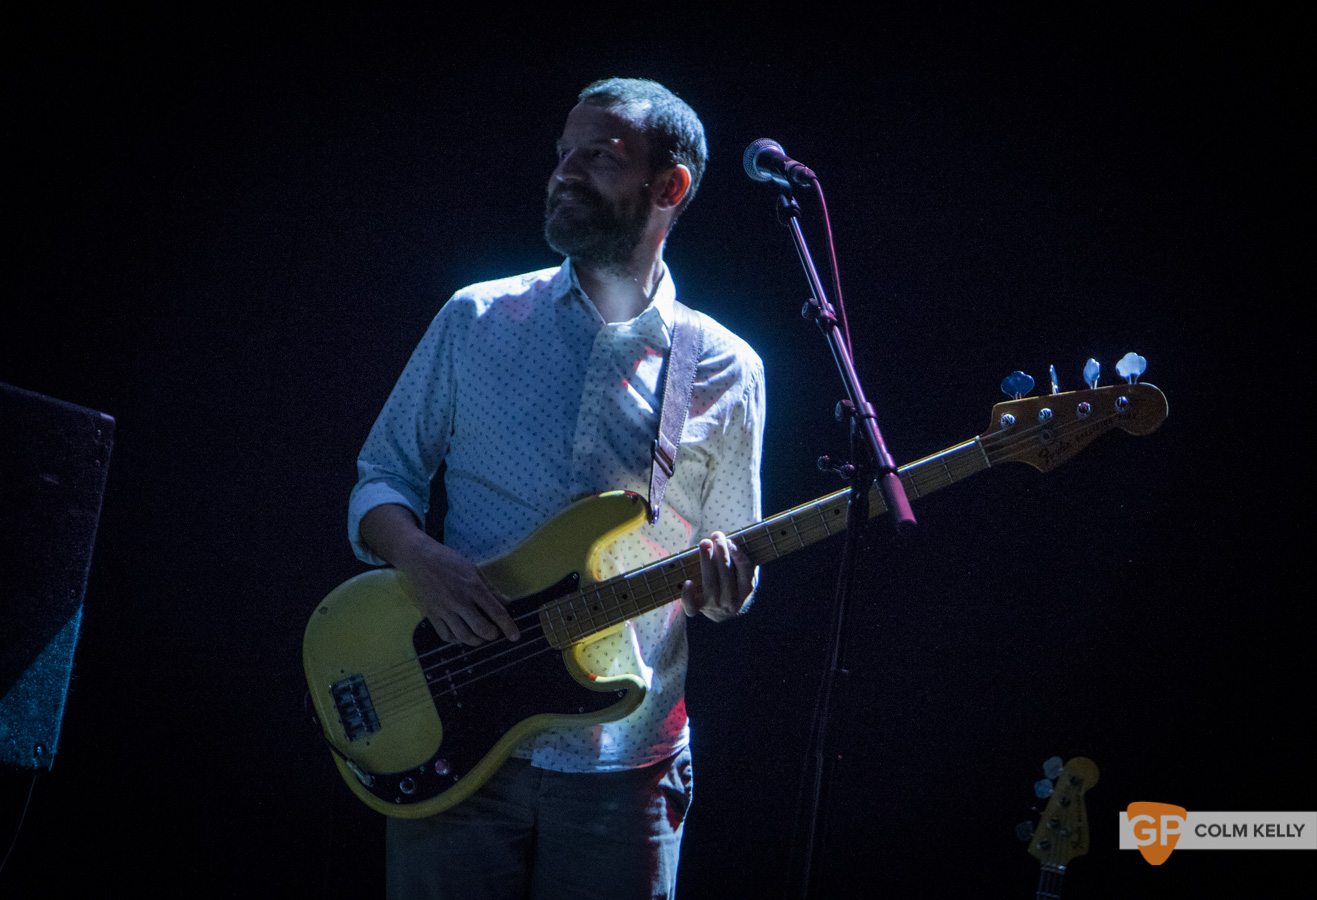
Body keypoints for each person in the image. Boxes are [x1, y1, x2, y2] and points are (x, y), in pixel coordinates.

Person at [347, 77, 765, 900]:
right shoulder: (475, 318)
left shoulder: (725, 368)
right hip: (451, 733)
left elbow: (728, 574)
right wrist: (419, 557)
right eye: (562, 154)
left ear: (669, 188)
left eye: (600, 158)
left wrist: (726, 583)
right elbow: (380, 478)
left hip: (623, 760)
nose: (565, 172)